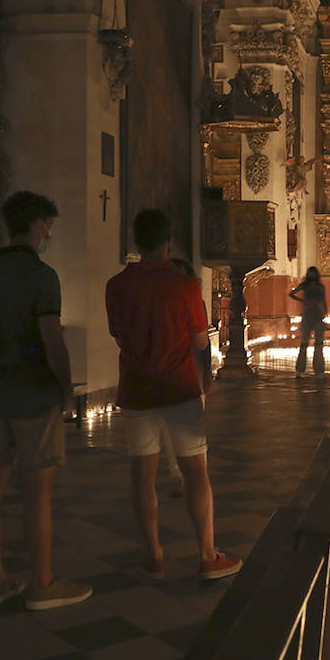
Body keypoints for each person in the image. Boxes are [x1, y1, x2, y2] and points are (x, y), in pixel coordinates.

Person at [106, 209, 242, 581]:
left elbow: (117, 335)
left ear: (137, 242)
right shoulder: (184, 286)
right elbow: (200, 340)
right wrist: (207, 375)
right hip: (180, 388)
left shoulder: (116, 285)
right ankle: (207, 555)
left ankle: (153, 555)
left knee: (142, 475)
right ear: (168, 243)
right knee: (196, 473)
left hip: (136, 390)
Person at [0, 191, 90, 611]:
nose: (50, 232)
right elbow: (52, 340)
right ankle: (42, 583)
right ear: (38, 224)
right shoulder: (42, 277)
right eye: (49, 224)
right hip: (35, 396)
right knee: (38, 492)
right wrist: (67, 385)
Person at [289, 266, 327, 376]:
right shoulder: (305, 285)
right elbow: (291, 293)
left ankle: (319, 370)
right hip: (308, 314)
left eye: (313, 273)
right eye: (310, 273)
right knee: (304, 342)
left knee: (319, 343)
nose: (312, 275)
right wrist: (302, 300)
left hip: (318, 314)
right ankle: (300, 369)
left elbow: (324, 301)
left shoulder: (320, 286)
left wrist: (325, 313)